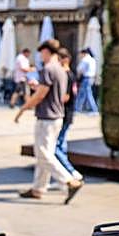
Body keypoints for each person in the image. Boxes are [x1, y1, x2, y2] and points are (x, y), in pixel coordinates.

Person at [15, 39, 83, 204]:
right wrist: (37, 88)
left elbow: (41, 95)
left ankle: (69, 181)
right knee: (44, 154)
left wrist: (23, 109)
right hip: (57, 116)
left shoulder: (48, 69)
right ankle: (38, 188)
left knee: (43, 154)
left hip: (46, 117)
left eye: (41, 52)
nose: (40, 56)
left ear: (46, 52)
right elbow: (51, 92)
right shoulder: (61, 69)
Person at [54, 48, 84, 186]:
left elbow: (65, 97)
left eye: (59, 59)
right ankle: (63, 176)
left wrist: (49, 98)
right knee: (61, 145)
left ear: (65, 60)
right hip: (68, 113)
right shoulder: (71, 75)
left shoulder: (65, 76)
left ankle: (70, 172)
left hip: (64, 113)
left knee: (54, 148)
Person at [76, 48, 98, 114]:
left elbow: (79, 69)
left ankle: (94, 110)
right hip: (91, 78)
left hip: (86, 78)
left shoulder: (85, 59)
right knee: (85, 94)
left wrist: (78, 76)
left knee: (86, 94)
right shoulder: (92, 59)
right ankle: (78, 109)